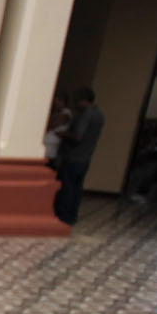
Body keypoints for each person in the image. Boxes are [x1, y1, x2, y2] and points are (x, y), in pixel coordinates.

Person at [53, 87, 104, 225]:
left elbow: (78, 136)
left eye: (76, 100)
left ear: (82, 100)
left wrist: (63, 134)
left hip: (73, 157)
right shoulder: (99, 114)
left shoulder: (86, 115)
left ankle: (63, 216)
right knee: (76, 188)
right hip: (85, 158)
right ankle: (71, 215)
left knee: (67, 188)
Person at [43, 92, 71, 167]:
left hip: (52, 149)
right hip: (47, 145)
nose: (55, 104)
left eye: (57, 101)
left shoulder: (66, 113)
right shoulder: (56, 113)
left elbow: (52, 124)